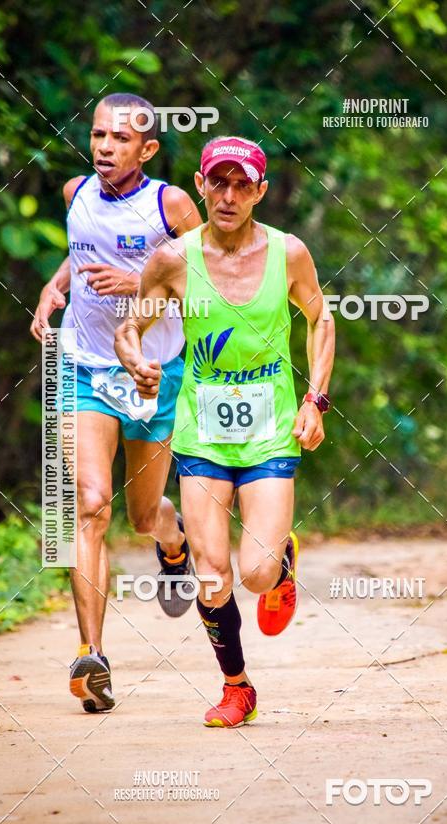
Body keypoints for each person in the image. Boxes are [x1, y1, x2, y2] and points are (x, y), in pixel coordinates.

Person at [115, 136, 335, 727]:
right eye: (219, 182)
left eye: (243, 184)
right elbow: (131, 328)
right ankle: (237, 687)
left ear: (261, 191)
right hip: (200, 435)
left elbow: (321, 319)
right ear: (200, 185)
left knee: (256, 572)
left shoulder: (289, 255)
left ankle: (281, 562)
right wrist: (137, 361)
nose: (230, 195)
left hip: (268, 433)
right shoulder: (172, 261)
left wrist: (315, 399)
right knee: (211, 578)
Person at [30, 93, 202, 713]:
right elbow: (80, 254)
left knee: (142, 511)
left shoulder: (172, 204)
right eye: (99, 134)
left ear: (147, 149)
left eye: (120, 139)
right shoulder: (76, 192)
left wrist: (143, 283)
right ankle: (91, 656)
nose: (105, 146)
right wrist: (55, 286)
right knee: (91, 506)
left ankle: (173, 545)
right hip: (85, 366)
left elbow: (214, 277)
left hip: (154, 371)